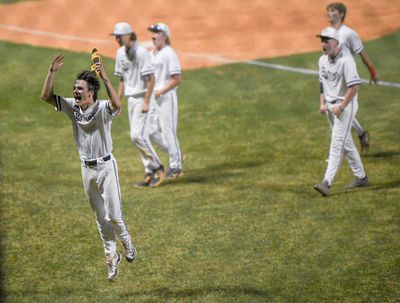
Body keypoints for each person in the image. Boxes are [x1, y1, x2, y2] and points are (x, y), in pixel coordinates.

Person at [40, 54, 136, 282]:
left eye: (80, 88)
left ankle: (126, 240)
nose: (75, 91)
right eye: (74, 88)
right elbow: (46, 96)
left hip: (106, 167)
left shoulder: (103, 108)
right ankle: (112, 257)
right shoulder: (72, 107)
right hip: (86, 169)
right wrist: (51, 72)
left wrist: (104, 77)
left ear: (90, 93)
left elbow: (117, 104)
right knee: (100, 217)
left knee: (113, 215)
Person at [313, 27, 369, 197]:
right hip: (331, 106)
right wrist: (323, 103)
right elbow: (323, 83)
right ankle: (361, 177)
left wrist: (342, 106)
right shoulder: (322, 61)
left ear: (336, 43)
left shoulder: (346, 61)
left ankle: (326, 183)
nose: (323, 44)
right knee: (347, 144)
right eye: (322, 41)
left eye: (327, 40)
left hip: (346, 105)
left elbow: (355, 87)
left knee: (336, 144)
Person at [110, 22, 166, 187]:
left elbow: (151, 79)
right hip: (131, 99)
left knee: (136, 136)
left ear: (129, 36)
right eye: (116, 37)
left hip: (143, 98)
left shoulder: (142, 53)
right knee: (141, 136)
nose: (117, 40)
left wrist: (147, 101)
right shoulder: (120, 53)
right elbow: (122, 79)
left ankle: (159, 167)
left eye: (119, 37)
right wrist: (118, 100)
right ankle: (149, 172)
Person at [326, 2, 379, 155]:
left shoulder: (349, 33)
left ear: (341, 14)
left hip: (348, 78)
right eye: (328, 11)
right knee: (337, 109)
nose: (329, 14)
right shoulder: (328, 33)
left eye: (333, 11)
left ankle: (340, 149)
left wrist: (372, 71)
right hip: (334, 77)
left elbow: (362, 52)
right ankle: (361, 134)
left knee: (341, 109)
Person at [147, 22, 184, 179]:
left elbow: (177, 79)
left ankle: (176, 167)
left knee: (168, 131)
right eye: (152, 33)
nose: (153, 35)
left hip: (166, 97)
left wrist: (160, 92)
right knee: (151, 131)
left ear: (165, 36)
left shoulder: (169, 53)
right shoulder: (151, 54)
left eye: (156, 32)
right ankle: (176, 154)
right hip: (154, 98)